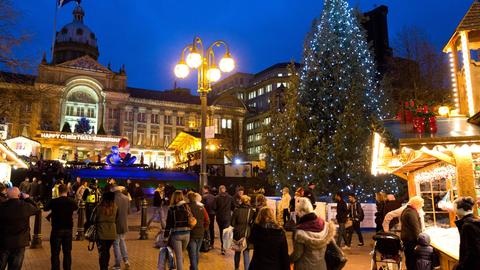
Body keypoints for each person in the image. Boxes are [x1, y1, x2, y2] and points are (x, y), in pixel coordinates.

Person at [289, 197, 334, 270]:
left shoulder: (300, 232)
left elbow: (297, 254)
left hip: (304, 267)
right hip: (321, 266)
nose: (296, 213)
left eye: (297, 211)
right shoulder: (325, 226)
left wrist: (287, 260)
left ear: (301, 212)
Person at [0, 187, 39, 270]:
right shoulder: (25, 206)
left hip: (4, 241)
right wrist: (28, 198)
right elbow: (37, 209)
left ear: (7, 195)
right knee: (15, 267)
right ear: (19, 195)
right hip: (20, 242)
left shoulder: (2, 206)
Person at [44, 184, 78, 270]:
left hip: (56, 229)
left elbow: (45, 208)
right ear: (67, 191)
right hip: (68, 229)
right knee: (67, 252)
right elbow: (76, 208)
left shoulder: (54, 201)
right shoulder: (72, 201)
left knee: (55, 253)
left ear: (58, 191)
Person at [163, 190, 191, 270]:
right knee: (181, 254)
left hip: (176, 234)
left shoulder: (171, 209)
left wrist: (165, 237)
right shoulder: (187, 207)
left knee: (178, 256)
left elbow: (168, 224)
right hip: (187, 234)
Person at [453, 196, 480, 270]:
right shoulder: (475, 220)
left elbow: (471, 252)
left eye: (454, 208)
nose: (453, 211)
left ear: (461, 209)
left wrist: (460, 266)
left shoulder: (467, 226)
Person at [95, 192, 118, 270]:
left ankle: (103, 268)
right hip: (112, 232)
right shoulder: (115, 207)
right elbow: (117, 218)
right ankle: (106, 266)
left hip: (101, 232)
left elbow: (94, 218)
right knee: (107, 251)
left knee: (102, 252)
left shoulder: (99, 207)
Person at [400, 196, 424, 270]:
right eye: (421, 204)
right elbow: (416, 228)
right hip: (410, 240)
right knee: (412, 260)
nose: (422, 206)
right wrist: (421, 241)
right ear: (416, 204)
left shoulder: (407, 210)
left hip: (407, 239)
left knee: (409, 259)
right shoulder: (411, 213)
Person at [231, 195, 254, 270]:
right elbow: (253, 223)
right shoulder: (251, 211)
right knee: (246, 252)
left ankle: (236, 268)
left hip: (237, 233)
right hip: (247, 233)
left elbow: (232, 223)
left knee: (237, 252)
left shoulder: (236, 210)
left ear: (241, 201)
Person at [187, 192, 209, 270]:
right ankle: (193, 267)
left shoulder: (187, 207)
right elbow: (207, 220)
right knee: (196, 253)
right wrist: (204, 228)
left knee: (192, 254)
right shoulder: (202, 207)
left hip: (191, 233)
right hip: (201, 232)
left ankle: (194, 268)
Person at [111, 186, 130, 270]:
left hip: (116, 224)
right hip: (124, 224)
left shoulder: (113, 199)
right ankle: (126, 260)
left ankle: (117, 264)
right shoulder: (126, 198)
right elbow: (128, 211)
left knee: (116, 243)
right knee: (122, 241)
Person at [214, 185, 234, 255]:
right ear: (225, 190)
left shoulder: (216, 198)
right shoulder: (230, 197)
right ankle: (224, 247)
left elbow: (214, 207)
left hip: (219, 217)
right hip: (227, 217)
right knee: (225, 232)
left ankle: (223, 247)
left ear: (219, 190)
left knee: (221, 231)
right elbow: (233, 207)